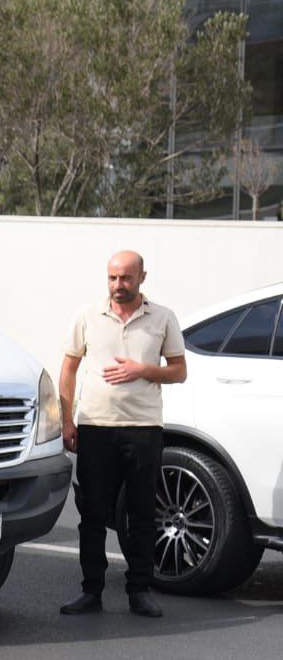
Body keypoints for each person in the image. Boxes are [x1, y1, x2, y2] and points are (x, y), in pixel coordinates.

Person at [58, 249, 186, 619]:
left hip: (144, 430)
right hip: (96, 428)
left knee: (143, 513)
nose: (118, 285)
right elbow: (68, 369)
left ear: (142, 277)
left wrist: (142, 370)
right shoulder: (87, 316)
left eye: (126, 278)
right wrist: (68, 420)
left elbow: (179, 371)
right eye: (113, 278)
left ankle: (139, 591)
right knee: (93, 514)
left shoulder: (162, 318)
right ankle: (91, 591)